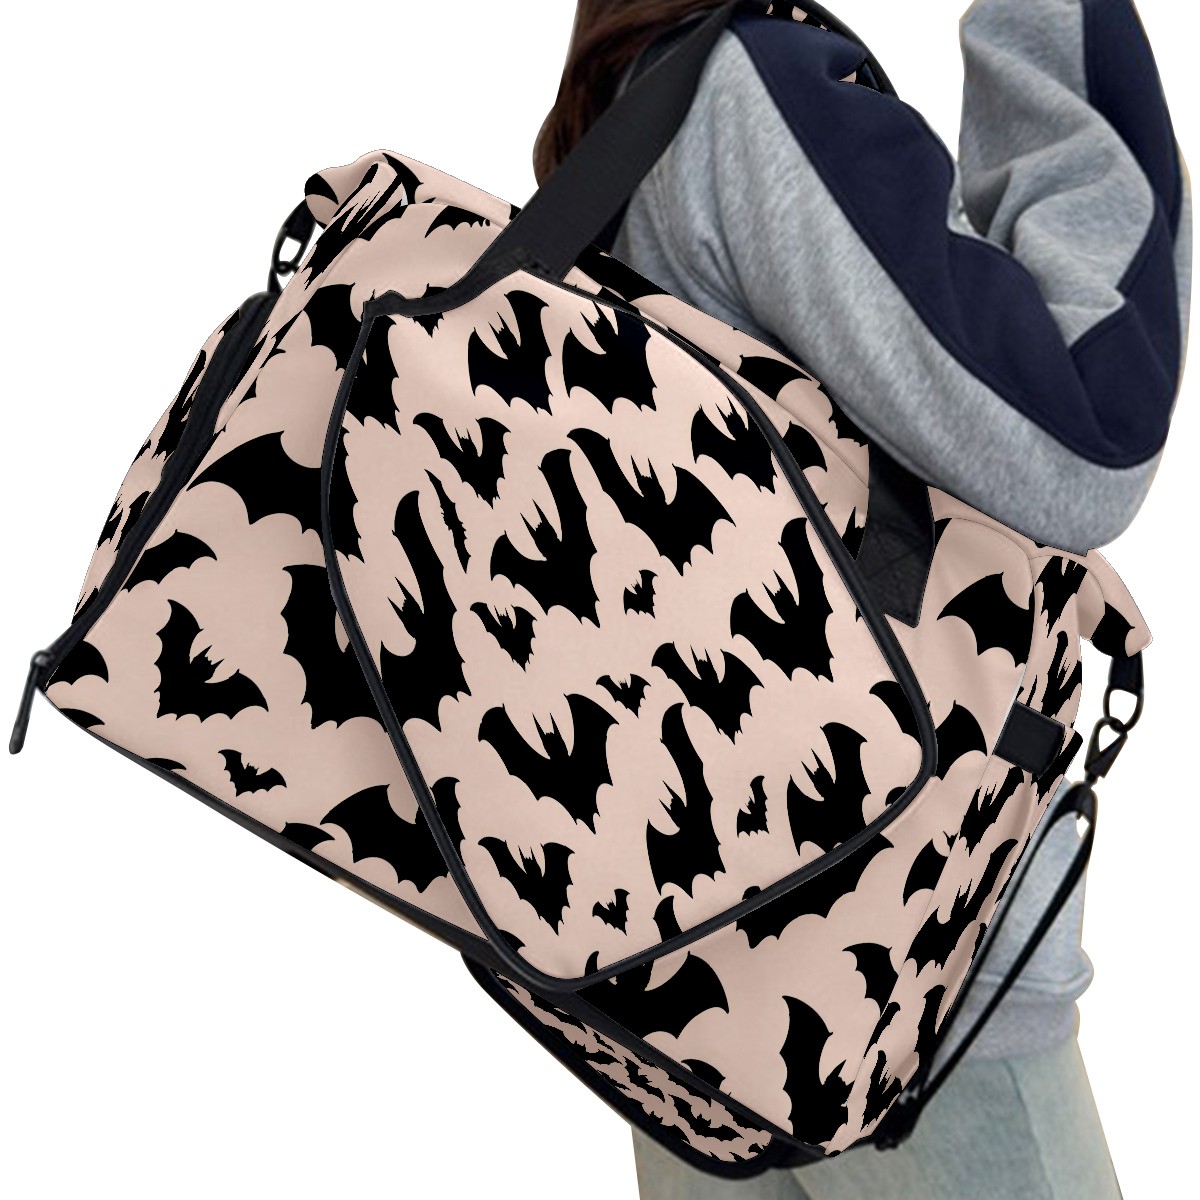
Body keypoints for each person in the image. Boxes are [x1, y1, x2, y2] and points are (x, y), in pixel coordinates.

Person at [533, 2, 1191, 1197]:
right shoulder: (756, 92)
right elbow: (1086, 432)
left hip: (672, 976)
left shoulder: (622, 126)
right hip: (906, 988)